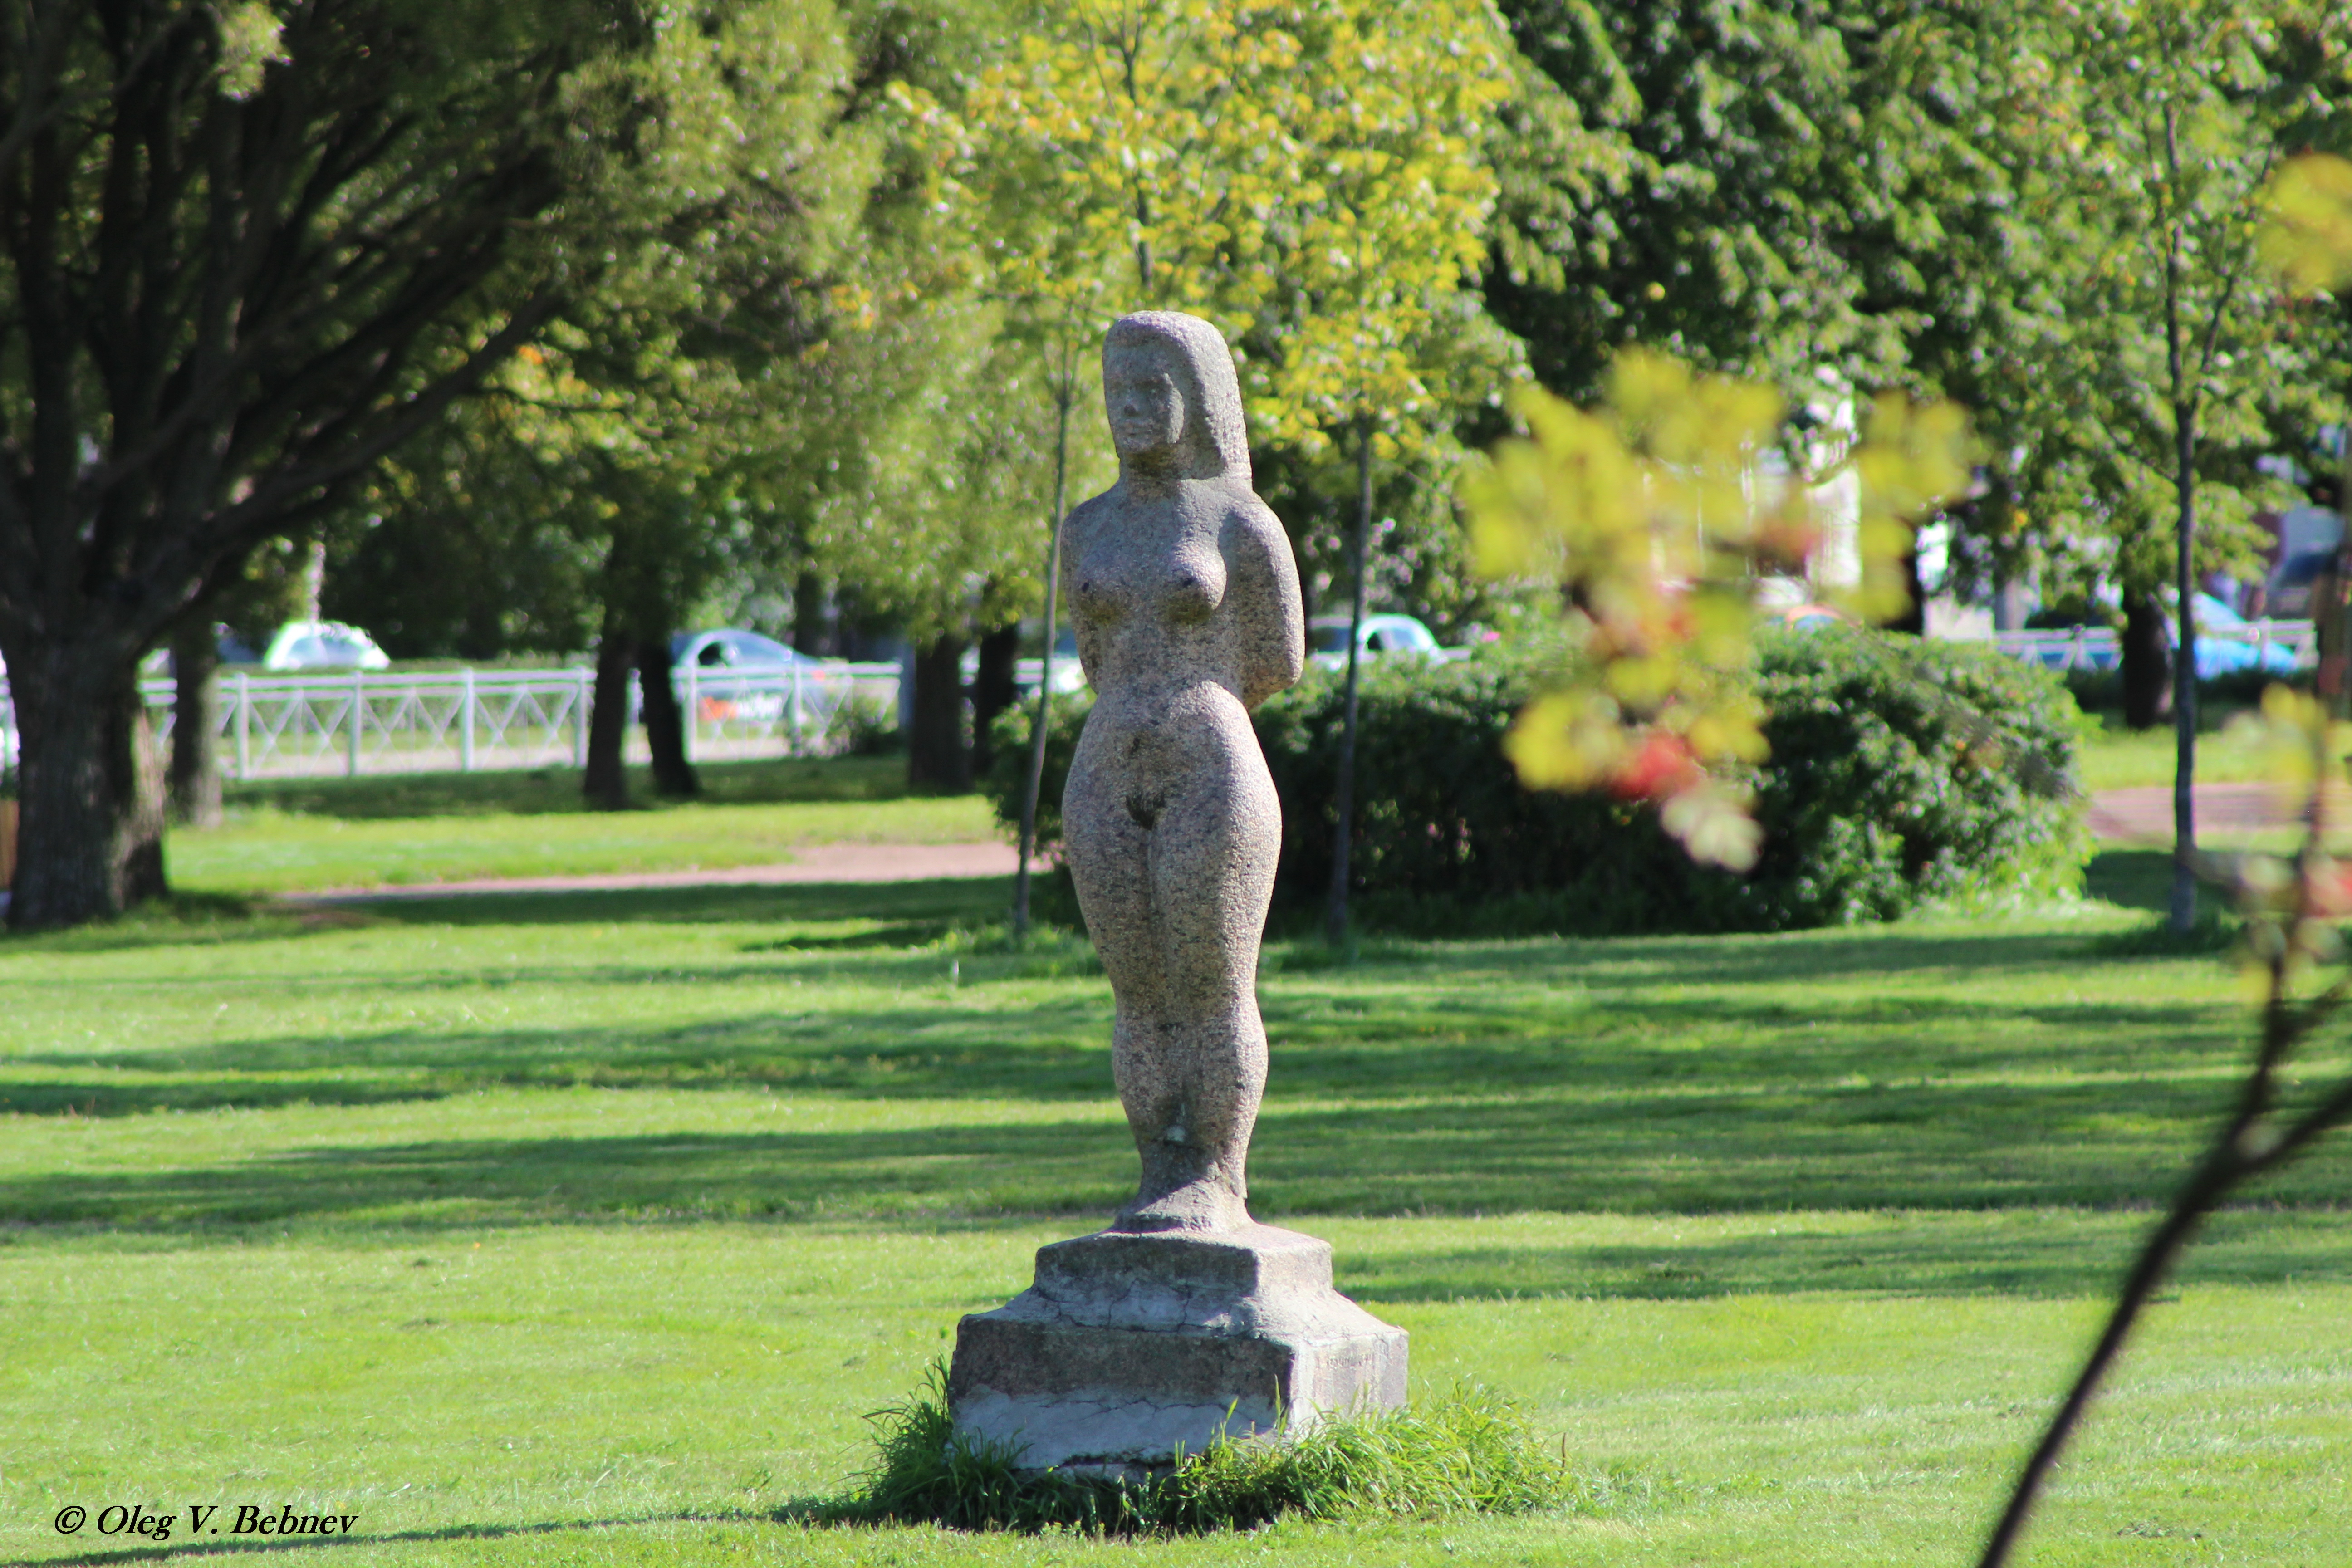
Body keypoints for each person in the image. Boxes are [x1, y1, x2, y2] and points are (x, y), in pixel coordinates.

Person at [1058, 311, 1305, 1235]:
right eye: (1116, 391)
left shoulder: (1239, 522)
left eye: (1151, 390)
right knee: (1137, 989)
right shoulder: (1088, 527)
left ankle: (1216, 1171)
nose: (1130, 408)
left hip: (1212, 764)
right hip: (1105, 766)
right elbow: (1093, 657)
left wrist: (1192, 707)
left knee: (1211, 982)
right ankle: (1157, 1172)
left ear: (1196, 399)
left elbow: (1279, 659)